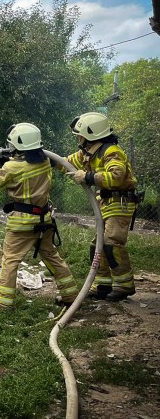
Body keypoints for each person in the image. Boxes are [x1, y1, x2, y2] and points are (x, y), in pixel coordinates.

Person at [0, 123, 79, 311]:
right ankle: (71, 295)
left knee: (10, 261)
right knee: (52, 257)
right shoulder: (45, 161)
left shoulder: (13, 167)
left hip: (21, 224)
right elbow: (19, 164)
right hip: (43, 220)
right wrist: (0, 160)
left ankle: (4, 304)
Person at [64, 112, 139, 301]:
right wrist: (39, 157)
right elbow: (65, 163)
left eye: (80, 134)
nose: (78, 138)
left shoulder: (111, 151)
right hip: (106, 202)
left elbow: (116, 177)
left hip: (120, 202)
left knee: (111, 243)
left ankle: (124, 285)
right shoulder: (88, 152)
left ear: (91, 134)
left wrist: (88, 177)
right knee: (96, 245)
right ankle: (102, 285)